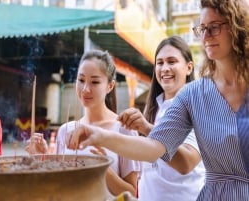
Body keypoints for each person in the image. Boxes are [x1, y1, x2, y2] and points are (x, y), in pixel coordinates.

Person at [67, 0, 249, 200]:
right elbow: (155, 148)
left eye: (214, 28)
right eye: (202, 28)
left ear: (236, 27)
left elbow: (185, 160)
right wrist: (99, 135)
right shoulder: (193, 94)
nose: (205, 36)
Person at [26, 49, 140, 197]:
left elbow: (133, 194)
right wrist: (43, 158)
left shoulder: (124, 129)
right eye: (81, 80)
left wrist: (104, 169)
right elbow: (58, 185)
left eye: (94, 82)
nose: (85, 89)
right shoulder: (66, 130)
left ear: (110, 86)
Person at [118, 36, 205, 201]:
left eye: (172, 62)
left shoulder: (197, 105)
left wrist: (146, 128)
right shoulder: (155, 108)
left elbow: (186, 162)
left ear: (189, 68)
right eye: (160, 63)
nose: (165, 68)